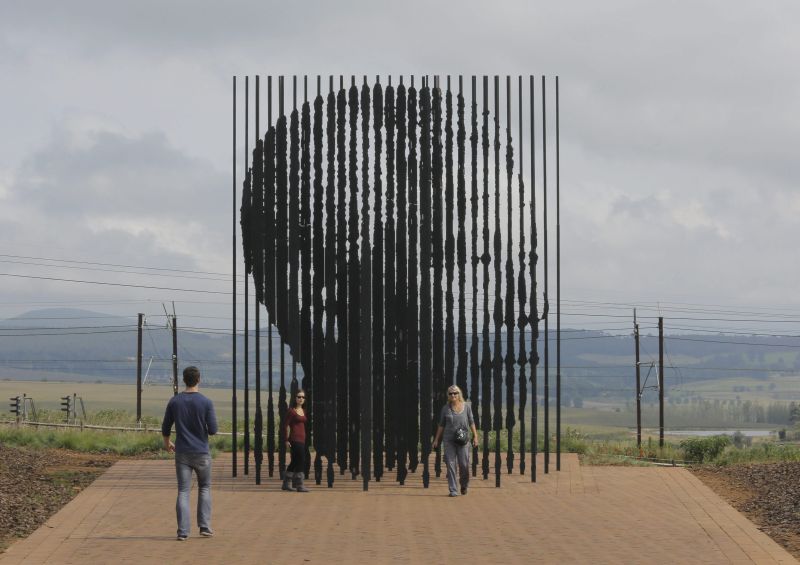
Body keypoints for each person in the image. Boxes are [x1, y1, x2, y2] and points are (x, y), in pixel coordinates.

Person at [161, 365, 218, 540]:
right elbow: (213, 430)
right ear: (199, 379)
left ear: (184, 380)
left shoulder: (174, 401)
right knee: (205, 488)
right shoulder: (206, 402)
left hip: (182, 452)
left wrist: (167, 442)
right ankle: (205, 526)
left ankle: (183, 532)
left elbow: (165, 427)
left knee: (183, 491)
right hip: (201, 452)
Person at [432, 385, 479, 497]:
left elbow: (471, 422)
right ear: (448, 396)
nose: (453, 395)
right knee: (451, 464)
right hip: (449, 440)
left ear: (459, 394)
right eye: (450, 393)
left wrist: (475, 436)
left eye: (455, 393)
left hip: (462, 440)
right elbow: (441, 425)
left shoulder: (467, 407)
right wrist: (436, 439)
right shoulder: (445, 408)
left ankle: (464, 484)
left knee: (464, 464)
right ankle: (453, 489)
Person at [281, 389, 309, 492]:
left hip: (302, 439)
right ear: (295, 398)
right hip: (294, 439)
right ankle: (299, 485)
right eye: (299, 397)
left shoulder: (303, 411)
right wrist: (286, 440)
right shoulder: (291, 411)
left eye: (303, 397)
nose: (301, 399)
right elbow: (284, 426)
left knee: (295, 461)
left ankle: (286, 483)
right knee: (301, 460)